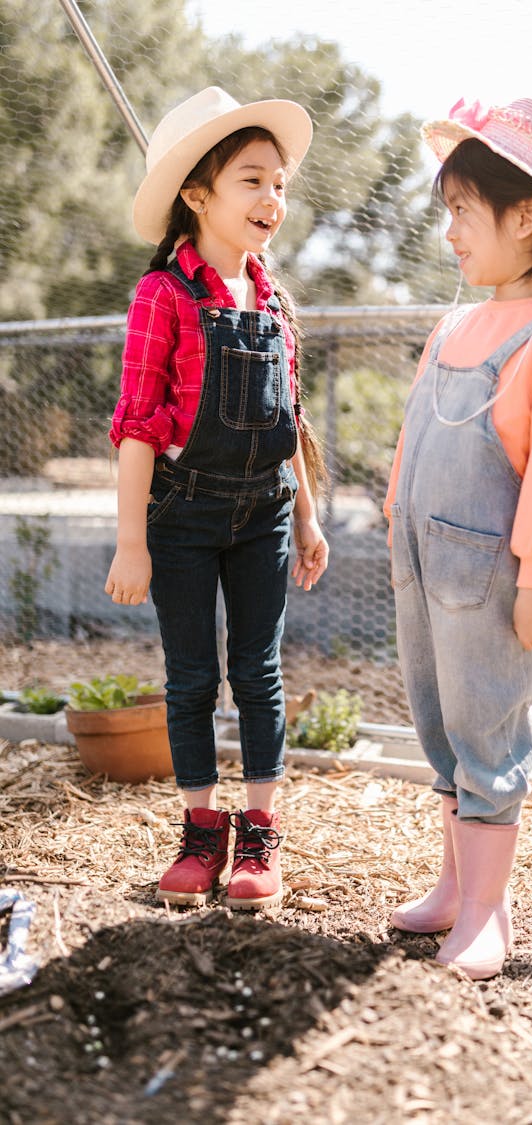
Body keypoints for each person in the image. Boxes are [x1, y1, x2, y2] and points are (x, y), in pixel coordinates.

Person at [384, 98, 532, 979]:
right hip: (421, 563)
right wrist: (394, 513)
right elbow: (416, 437)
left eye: (462, 212)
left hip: (492, 576)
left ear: (526, 216)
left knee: (488, 728)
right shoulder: (452, 326)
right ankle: (453, 884)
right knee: (440, 721)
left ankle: (487, 912)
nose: (449, 231)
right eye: (446, 212)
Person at [105, 87, 328, 910]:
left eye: (280, 184)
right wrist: (133, 539)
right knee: (192, 675)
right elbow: (135, 427)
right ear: (196, 195)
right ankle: (202, 831)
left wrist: (305, 515)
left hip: (266, 510)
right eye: (252, 181)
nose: (273, 198)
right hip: (183, 517)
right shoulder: (161, 296)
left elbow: (290, 418)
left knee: (259, 673)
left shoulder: (273, 299)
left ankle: (259, 835)